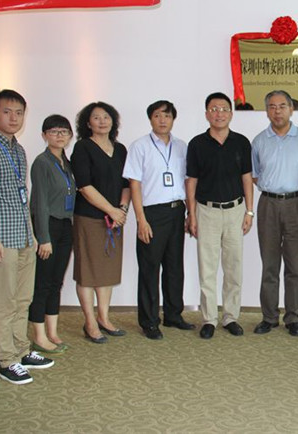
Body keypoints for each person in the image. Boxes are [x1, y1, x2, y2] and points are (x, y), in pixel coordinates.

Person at [0, 89, 54, 385]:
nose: (14, 118)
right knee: (5, 302)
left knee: (23, 299)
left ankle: (22, 350)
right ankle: (7, 360)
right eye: (7, 111)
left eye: (19, 112)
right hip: (0, 239)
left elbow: (20, 195)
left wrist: (32, 235)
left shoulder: (19, 150)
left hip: (23, 237)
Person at [123, 100, 194, 340]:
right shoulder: (139, 146)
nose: (162, 120)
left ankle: (173, 315)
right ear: (150, 119)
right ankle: (149, 321)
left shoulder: (182, 146)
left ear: (173, 119)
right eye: (157, 115)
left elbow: (188, 181)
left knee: (174, 267)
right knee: (150, 268)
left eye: (167, 115)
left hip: (176, 211)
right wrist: (141, 220)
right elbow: (134, 184)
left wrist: (189, 213)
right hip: (151, 214)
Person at [186, 92, 254, 339]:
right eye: (214, 109)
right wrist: (191, 214)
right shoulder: (197, 144)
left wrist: (249, 211)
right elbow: (191, 181)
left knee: (233, 267)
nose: (219, 113)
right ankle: (209, 319)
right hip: (206, 211)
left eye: (224, 109)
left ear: (231, 114)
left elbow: (247, 178)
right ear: (207, 114)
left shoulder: (241, 142)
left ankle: (230, 317)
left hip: (236, 210)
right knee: (208, 269)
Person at [251, 90, 298, 336]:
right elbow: (255, 175)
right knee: (269, 264)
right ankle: (269, 317)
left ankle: (293, 317)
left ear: (291, 109)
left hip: (296, 204)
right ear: (267, 111)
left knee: (294, 264)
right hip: (268, 204)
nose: (277, 111)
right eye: (272, 106)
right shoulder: (259, 140)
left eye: (282, 106)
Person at [70, 102, 130, 344]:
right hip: (89, 218)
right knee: (87, 273)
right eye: (96, 117)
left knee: (107, 270)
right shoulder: (82, 147)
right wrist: (111, 211)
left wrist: (122, 210)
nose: (102, 121)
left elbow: (127, 184)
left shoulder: (121, 149)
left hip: (114, 220)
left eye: (106, 117)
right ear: (87, 123)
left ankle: (104, 318)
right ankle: (90, 322)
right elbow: (84, 186)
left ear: (113, 121)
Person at [28, 115, 77, 353]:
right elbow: (39, 203)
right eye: (54, 131)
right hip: (48, 226)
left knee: (56, 282)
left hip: (66, 226)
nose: (59, 135)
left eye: (64, 132)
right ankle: (39, 336)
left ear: (70, 136)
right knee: (43, 283)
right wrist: (43, 238)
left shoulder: (66, 162)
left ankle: (53, 332)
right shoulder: (42, 162)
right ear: (44, 135)